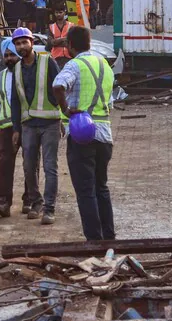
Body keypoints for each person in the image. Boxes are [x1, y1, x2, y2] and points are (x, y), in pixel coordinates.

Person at [53, 25, 116, 242]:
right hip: (105, 134)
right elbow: (110, 101)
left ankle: (93, 241)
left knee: (85, 191)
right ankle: (109, 238)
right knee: (101, 188)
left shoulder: (75, 64)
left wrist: (65, 109)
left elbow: (58, 85)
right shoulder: (105, 66)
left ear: (70, 45)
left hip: (82, 134)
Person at [10, 27, 62, 225]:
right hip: (28, 125)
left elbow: (60, 88)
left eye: (24, 42)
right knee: (28, 166)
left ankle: (49, 209)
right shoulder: (16, 69)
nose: (21, 46)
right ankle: (36, 202)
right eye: (17, 43)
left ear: (31, 42)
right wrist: (16, 128)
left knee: (50, 167)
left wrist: (63, 120)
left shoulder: (48, 62)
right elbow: (15, 100)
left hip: (50, 123)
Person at [0, 38, 23, 217]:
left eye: (12, 55)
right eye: (6, 55)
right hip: (7, 127)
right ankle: (3, 201)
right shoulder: (0, 77)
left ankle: (30, 200)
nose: (9, 58)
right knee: (5, 164)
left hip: (27, 125)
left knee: (31, 165)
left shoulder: (27, 74)